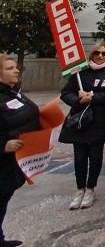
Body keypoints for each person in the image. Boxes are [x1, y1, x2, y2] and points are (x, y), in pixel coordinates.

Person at [59, 41, 105, 210]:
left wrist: (93, 97)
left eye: (104, 54)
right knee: (79, 157)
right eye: (97, 53)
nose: (100, 56)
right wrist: (78, 99)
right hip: (79, 122)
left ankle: (90, 189)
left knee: (95, 157)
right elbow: (65, 93)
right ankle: (80, 189)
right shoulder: (80, 74)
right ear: (92, 54)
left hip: (99, 123)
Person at [0, 54, 40, 247]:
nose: (16, 70)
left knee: (3, 199)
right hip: (3, 158)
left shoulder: (12, 92)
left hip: (12, 162)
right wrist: (2, 145)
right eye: (9, 68)